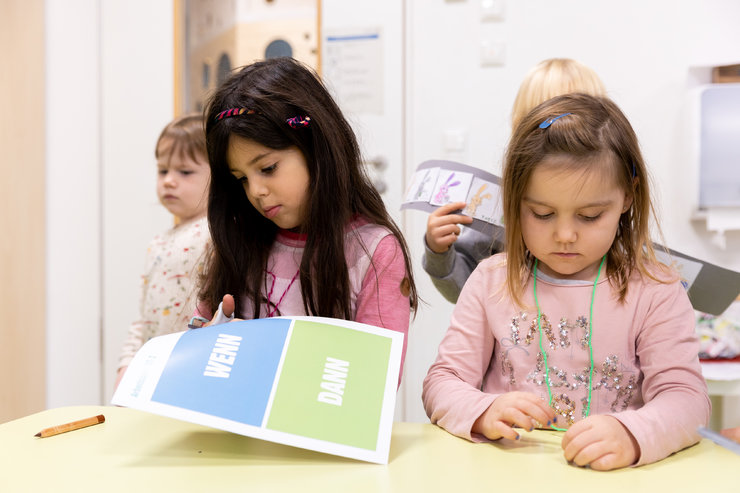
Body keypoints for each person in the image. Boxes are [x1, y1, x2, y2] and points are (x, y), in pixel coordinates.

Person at [422, 93, 710, 470]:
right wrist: (482, 409)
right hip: (506, 476)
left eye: (590, 216)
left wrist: (632, 433)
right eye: (541, 213)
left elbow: (688, 400)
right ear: (514, 200)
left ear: (627, 196)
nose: (565, 235)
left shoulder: (656, 289)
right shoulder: (490, 280)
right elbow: (441, 382)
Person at [195, 57, 417, 375]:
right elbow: (197, 340)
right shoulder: (239, 242)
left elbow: (375, 381)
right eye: (241, 178)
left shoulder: (375, 252)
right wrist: (209, 341)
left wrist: (257, 353)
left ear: (316, 148)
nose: (256, 190)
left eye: (268, 168)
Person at [423, 58, 607, 303]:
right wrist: (439, 251)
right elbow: (464, 289)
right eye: (542, 212)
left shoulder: (609, 200)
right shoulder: (499, 204)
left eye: (589, 215)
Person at [115, 113, 211, 387]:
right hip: (151, 369)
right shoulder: (158, 242)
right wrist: (126, 365)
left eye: (185, 172)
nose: (169, 180)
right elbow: (143, 318)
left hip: (191, 369)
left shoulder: (214, 232)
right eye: (163, 170)